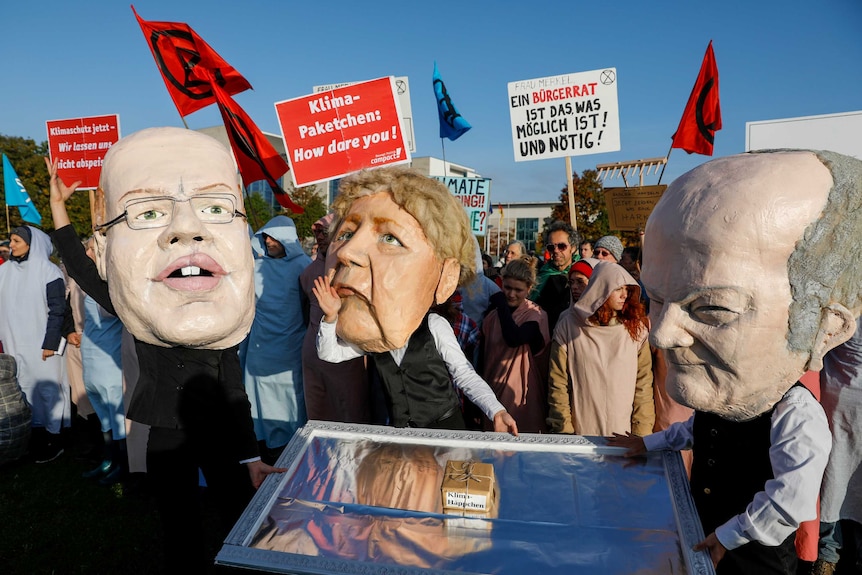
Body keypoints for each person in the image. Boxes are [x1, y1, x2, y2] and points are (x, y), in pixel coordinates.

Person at [609, 150, 862, 574]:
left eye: (712, 308)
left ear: (825, 327)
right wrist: (648, 444)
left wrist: (733, 534)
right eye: (656, 298)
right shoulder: (728, 397)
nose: (661, 333)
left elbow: (791, 496)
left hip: (754, 559)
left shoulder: (797, 415)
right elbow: (699, 431)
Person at [47, 127, 283, 573]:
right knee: (178, 521)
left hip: (215, 430)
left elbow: (234, 391)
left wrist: (250, 456)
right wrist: (60, 209)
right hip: (167, 431)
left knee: (237, 508)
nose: (187, 230)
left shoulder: (222, 325)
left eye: (215, 208)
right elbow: (80, 267)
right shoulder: (132, 303)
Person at [312, 166, 517, 435]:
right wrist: (329, 319)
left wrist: (496, 410)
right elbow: (330, 353)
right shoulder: (375, 336)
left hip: (446, 427)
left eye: (390, 238)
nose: (348, 251)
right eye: (346, 234)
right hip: (403, 432)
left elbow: (464, 374)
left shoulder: (434, 326)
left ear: (445, 278)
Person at [547, 261, 654, 436]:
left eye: (627, 289)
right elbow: (558, 383)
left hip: (624, 435)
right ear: (602, 288)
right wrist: (563, 430)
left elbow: (643, 386)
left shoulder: (637, 330)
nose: (624, 295)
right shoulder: (568, 325)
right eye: (618, 289)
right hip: (580, 434)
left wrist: (641, 435)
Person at [241, 215, 310, 462]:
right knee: (257, 402)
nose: (269, 241)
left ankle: (290, 454)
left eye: (274, 236)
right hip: (260, 351)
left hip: (289, 350)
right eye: (266, 236)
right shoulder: (256, 266)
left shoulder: (303, 266)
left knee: (288, 402)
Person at [0, 226, 69, 463]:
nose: (12, 245)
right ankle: (33, 438)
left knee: (48, 390)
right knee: (24, 389)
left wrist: (50, 342)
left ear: (32, 244)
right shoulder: (4, 271)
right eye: (11, 240)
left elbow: (58, 310)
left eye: (17, 240)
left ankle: (55, 439)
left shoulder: (48, 271)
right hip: (14, 342)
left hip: (43, 346)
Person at [299, 213, 370, 424]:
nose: (319, 236)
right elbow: (303, 309)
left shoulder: (352, 268)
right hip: (313, 351)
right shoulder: (308, 271)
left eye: (325, 231)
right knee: (317, 412)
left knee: (349, 412)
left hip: (346, 352)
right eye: (317, 231)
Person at [813, 315, 862, 575]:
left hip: (836, 399)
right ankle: (828, 553)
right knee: (833, 479)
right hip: (836, 404)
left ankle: (828, 554)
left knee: (836, 479)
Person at [78, 237, 127, 484]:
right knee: (103, 414)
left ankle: (123, 465)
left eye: (91, 249)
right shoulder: (90, 284)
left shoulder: (114, 284)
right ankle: (108, 459)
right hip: (92, 358)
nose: (86, 252)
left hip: (110, 360)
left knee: (116, 414)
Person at [481, 258, 549, 433]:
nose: (511, 294)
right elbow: (482, 356)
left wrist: (501, 305)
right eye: (507, 288)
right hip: (492, 392)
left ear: (529, 289)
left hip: (523, 396)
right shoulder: (492, 316)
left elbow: (514, 337)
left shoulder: (535, 315)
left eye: (518, 290)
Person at [529, 220, 578, 332]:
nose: (556, 251)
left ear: (573, 248)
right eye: (551, 247)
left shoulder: (582, 276)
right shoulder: (539, 276)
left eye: (561, 246)